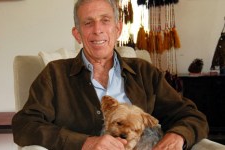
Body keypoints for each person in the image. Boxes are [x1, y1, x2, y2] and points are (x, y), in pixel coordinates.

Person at [12, 0, 208, 149]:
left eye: (105, 21)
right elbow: (24, 126)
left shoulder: (144, 72)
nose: (97, 30)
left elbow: (191, 116)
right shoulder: (54, 74)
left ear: (118, 29)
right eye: (88, 23)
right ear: (77, 34)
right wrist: (85, 143)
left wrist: (177, 136)